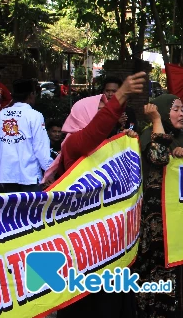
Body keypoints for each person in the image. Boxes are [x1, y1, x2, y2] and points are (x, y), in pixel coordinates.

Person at [45, 72, 145, 318]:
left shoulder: (110, 145)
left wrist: (126, 143)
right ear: (85, 115)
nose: (106, 114)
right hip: (84, 247)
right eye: (100, 109)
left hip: (111, 243)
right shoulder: (73, 144)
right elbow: (92, 134)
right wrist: (120, 95)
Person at [136, 95, 183, 318]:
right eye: (176, 109)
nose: (182, 113)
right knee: (161, 264)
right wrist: (156, 119)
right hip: (159, 216)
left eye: (182, 109)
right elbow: (158, 156)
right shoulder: (150, 134)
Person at [0, 79, 52, 193]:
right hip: (29, 176)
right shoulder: (35, 115)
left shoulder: (1, 114)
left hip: (7, 175)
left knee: (11, 210)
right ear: (31, 94)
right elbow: (40, 147)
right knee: (31, 210)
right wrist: (50, 171)